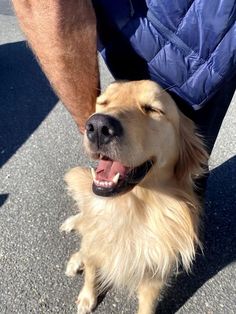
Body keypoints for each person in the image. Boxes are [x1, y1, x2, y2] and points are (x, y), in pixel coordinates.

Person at [12, 0, 236, 154]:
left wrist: (88, 122)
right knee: (162, 161)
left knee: (184, 161)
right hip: (175, 52)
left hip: (210, 44)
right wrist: (94, 125)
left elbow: (45, 7)